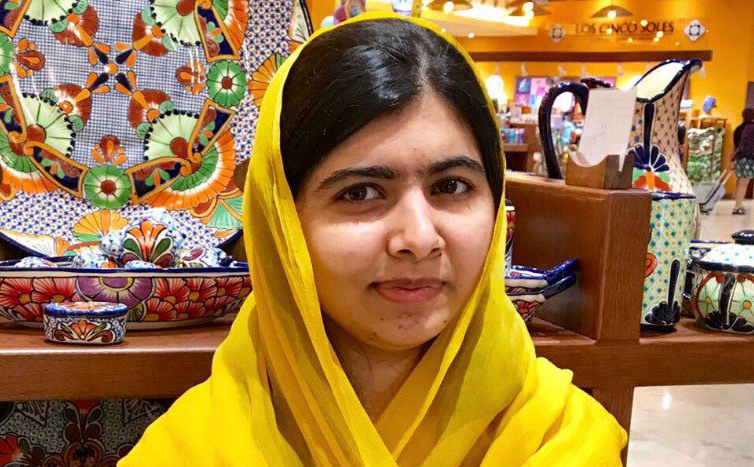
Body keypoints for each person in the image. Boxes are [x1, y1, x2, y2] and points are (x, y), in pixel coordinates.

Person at [121, 12, 626, 465]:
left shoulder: (562, 441)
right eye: (360, 192)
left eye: (452, 186)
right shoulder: (194, 449)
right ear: (282, 223)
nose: (419, 238)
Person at [732, 108, 754, 215]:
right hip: (748, 158)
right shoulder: (752, 128)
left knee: (739, 181)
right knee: (744, 182)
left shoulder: (738, 128)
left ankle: (737, 203)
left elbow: (735, 145)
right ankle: (738, 206)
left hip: (738, 158)